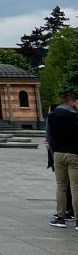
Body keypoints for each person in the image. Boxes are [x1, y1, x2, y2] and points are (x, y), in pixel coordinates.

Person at [46, 91, 78, 228]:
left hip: (58, 154)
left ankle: (61, 218)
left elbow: (49, 138)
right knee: (75, 187)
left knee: (61, 187)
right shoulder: (75, 116)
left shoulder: (51, 116)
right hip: (74, 154)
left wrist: (54, 153)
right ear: (71, 102)